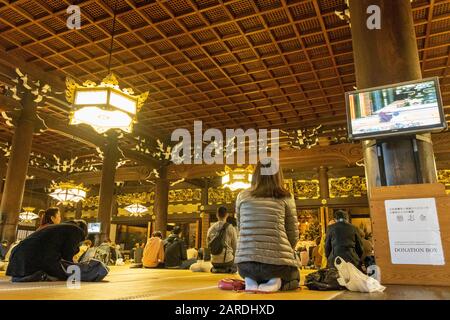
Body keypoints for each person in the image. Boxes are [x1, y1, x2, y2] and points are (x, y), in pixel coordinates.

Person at [235, 159, 300, 292]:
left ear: (256, 174)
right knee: (294, 276)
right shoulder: (286, 197)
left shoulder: (242, 196)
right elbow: (293, 234)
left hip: (245, 264)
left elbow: (240, 228)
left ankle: (250, 279)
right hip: (276, 266)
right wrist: (284, 253)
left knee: (254, 270)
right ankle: (274, 280)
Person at [6, 220, 88, 282]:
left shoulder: (58, 227)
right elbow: (67, 254)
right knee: (69, 273)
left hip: (17, 258)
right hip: (35, 257)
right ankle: (40, 275)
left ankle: (25, 275)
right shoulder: (77, 230)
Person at [207, 206, 238, 274]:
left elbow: (208, 245)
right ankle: (226, 269)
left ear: (217, 215)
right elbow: (235, 246)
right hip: (227, 261)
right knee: (237, 265)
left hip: (214, 261)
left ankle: (216, 269)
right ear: (227, 215)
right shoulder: (231, 228)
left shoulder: (211, 228)